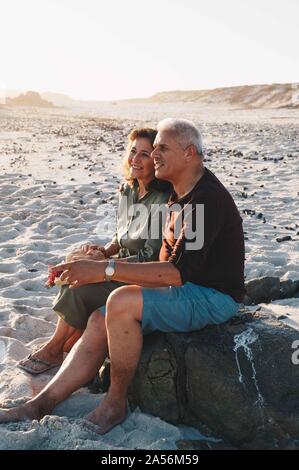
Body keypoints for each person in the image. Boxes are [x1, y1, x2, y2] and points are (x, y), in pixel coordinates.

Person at [0, 118, 245, 434]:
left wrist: (105, 270)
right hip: (186, 288)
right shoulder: (180, 192)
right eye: (152, 147)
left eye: (162, 148)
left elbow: (176, 274)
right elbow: (163, 261)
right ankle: (41, 404)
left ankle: (115, 404)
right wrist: (101, 265)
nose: (154, 154)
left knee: (121, 300)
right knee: (100, 318)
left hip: (213, 297)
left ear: (189, 153)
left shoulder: (204, 199)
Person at [18, 127, 172, 374]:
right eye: (133, 151)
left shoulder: (163, 198)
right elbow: (121, 237)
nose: (136, 159)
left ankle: (55, 347)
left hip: (142, 275)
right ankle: (71, 335)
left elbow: (150, 258)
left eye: (145, 154)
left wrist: (101, 266)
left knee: (80, 281)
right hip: (119, 261)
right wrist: (102, 252)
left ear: (155, 161)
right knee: (74, 260)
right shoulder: (128, 189)